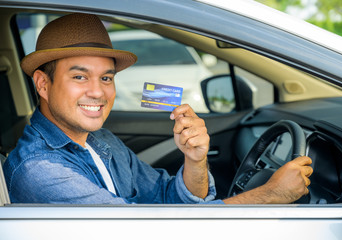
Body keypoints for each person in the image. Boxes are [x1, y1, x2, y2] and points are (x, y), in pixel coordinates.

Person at [3, 13, 312, 204]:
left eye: (106, 77)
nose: (97, 91)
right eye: (79, 76)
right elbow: (146, 231)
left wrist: (195, 160)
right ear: (43, 85)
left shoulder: (101, 140)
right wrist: (270, 194)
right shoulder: (40, 171)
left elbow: (167, 197)